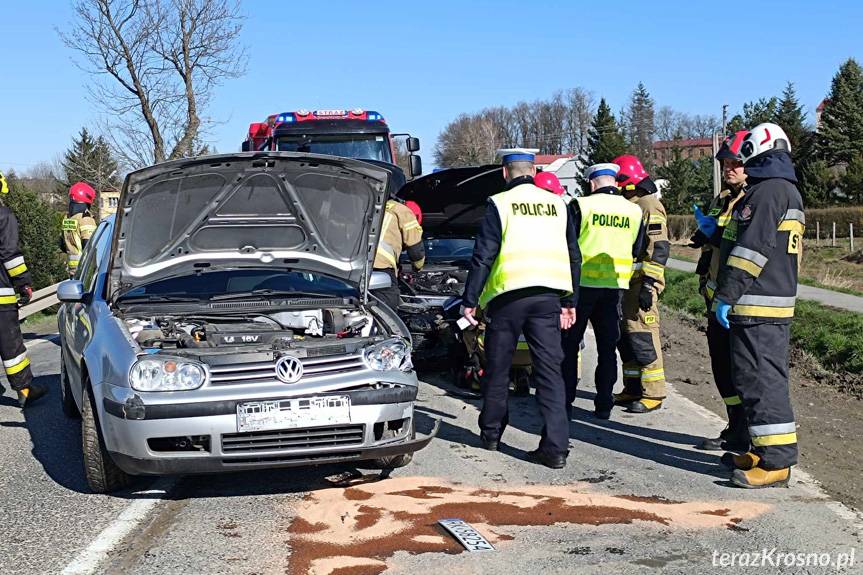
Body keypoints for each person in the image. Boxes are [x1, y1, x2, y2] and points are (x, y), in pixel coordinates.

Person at [461, 148, 580, 469]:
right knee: (550, 372)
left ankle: (491, 434)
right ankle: (555, 448)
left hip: (507, 299)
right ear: (534, 171)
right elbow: (573, 255)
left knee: (498, 368)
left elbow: (483, 255)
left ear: (505, 172)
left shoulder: (500, 204)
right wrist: (570, 302)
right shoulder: (559, 204)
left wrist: (470, 300)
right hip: (548, 298)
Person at [714, 123, 804, 489]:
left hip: (758, 305)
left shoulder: (767, 192)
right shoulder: (783, 190)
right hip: (766, 304)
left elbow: (751, 251)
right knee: (753, 379)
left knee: (762, 382)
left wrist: (726, 295)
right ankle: (761, 449)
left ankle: (776, 461)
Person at [561, 163, 644, 420]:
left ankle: (565, 403)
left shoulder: (580, 205)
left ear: (591, 183)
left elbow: (567, 245)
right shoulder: (634, 211)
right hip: (614, 288)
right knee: (608, 349)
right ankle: (604, 404)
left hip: (581, 287)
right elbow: (637, 249)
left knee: (570, 347)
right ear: (615, 183)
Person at [692, 131, 750, 452]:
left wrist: (714, 234)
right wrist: (703, 233)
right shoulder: (723, 197)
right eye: (725, 163)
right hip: (715, 296)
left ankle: (749, 432)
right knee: (721, 366)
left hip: (739, 299)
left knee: (742, 369)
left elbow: (743, 245)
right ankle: (735, 426)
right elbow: (716, 235)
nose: (728, 168)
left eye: (734, 163)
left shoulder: (752, 199)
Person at [611, 155, 670, 414]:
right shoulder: (631, 205)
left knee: (643, 335)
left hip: (641, 285)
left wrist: (649, 284)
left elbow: (658, 248)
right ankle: (633, 387)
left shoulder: (648, 205)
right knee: (627, 339)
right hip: (626, 284)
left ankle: (654, 393)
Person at [0, 171, 45, 407]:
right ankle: (24, 389)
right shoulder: (4, 216)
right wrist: (23, 283)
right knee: (11, 345)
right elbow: (10, 255)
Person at [371, 198, 425, 310]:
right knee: (387, 309)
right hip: (380, 266)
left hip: (355, 262)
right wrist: (418, 268)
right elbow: (416, 249)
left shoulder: (376, 205)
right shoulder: (404, 211)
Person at [62, 182, 98, 277]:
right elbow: (89, 245)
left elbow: (62, 245)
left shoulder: (67, 219)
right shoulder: (85, 219)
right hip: (85, 271)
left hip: (73, 271)